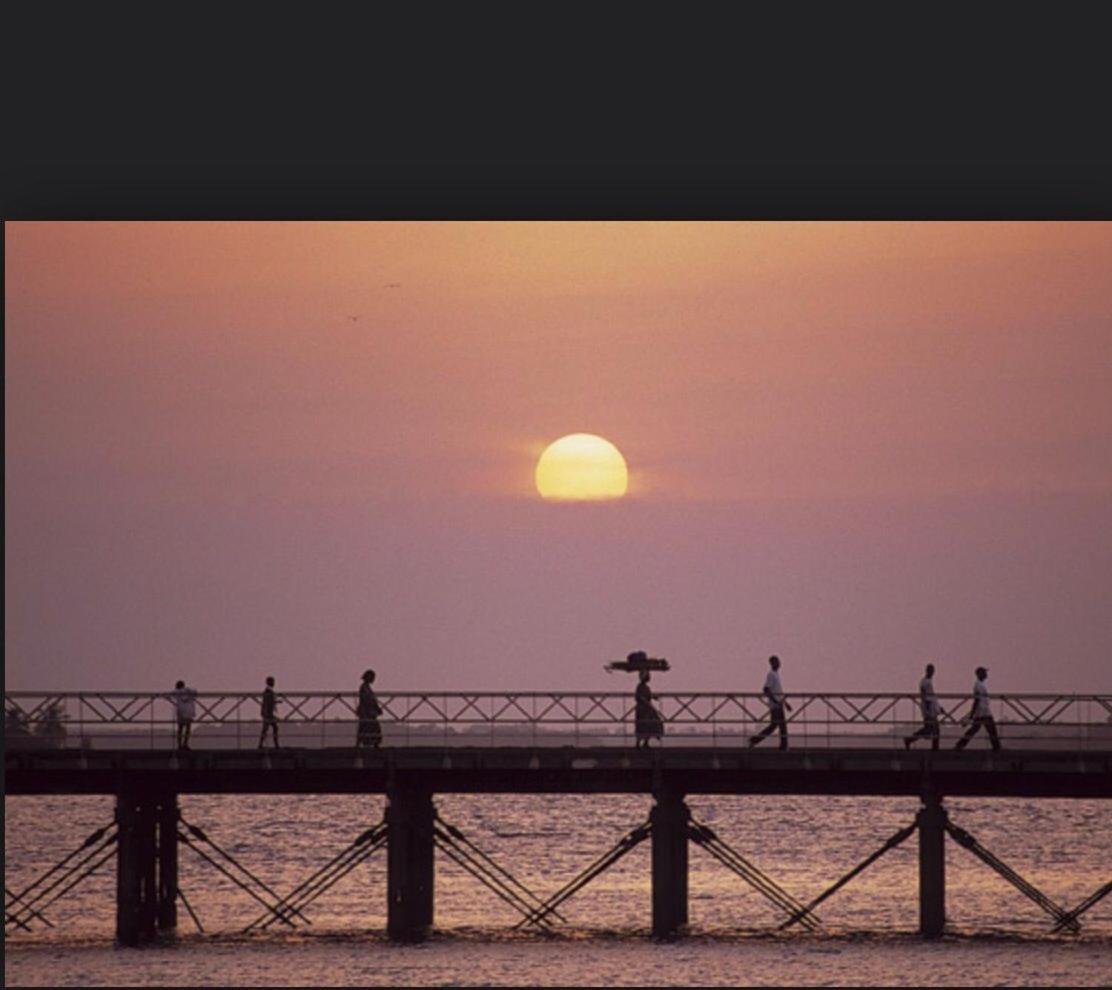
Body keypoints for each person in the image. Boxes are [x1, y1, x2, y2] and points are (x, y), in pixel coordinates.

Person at [749, 655, 791, 750]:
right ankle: (754, 740)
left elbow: (779, 691)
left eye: (778, 662)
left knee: (779, 725)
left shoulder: (776, 675)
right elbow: (766, 689)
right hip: (776, 705)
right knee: (777, 725)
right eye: (776, 662)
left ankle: (783, 746)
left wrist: (785, 703)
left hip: (779, 704)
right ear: (772, 663)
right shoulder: (771, 674)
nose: (778, 664)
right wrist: (775, 701)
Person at [954, 666, 1002, 751]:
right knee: (991, 729)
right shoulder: (978, 685)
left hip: (982, 711)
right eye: (984, 672)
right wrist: (972, 713)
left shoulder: (979, 685)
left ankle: (960, 744)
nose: (986, 674)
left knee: (975, 729)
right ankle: (996, 747)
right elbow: (977, 700)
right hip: (983, 711)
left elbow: (977, 700)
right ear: (980, 674)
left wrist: (972, 714)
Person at [904, 663, 940, 751]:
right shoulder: (924, 682)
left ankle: (910, 740)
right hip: (928, 708)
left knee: (931, 729)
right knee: (931, 729)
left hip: (931, 707)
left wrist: (938, 707)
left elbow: (931, 696)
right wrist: (927, 709)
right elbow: (924, 695)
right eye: (931, 671)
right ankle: (909, 740)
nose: (932, 673)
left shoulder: (928, 681)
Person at [634, 669, 664, 748]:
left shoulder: (646, 687)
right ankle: (638, 743)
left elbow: (648, 695)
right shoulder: (640, 687)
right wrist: (646, 701)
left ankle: (646, 742)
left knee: (652, 723)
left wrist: (654, 697)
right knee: (642, 725)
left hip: (647, 708)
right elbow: (639, 697)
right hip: (642, 709)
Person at [356, 669, 383, 749]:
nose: (373, 679)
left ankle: (371, 743)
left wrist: (377, 707)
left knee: (367, 727)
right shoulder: (364, 687)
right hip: (366, 712)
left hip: (368, 711)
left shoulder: (366, 687)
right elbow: (367, 699)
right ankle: (371, 743)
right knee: (367, 727)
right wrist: (375, 708)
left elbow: (371, 699)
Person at [171, 680, 198, 750]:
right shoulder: (189, 691)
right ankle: (185, 744)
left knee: (180, 728)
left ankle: (179, 745)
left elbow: (171, 694)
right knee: (188, 728)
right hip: (189, 712)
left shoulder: (177, 692)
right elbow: (195, 692)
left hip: (181, 712)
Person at [258, 676, 280, 749]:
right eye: (273, 682)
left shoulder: (267, 691)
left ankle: (261, 744)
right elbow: (269, 702)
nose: (274, 683)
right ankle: (276, 744)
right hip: (269, 714)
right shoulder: (268, 692)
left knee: (267, 729)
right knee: (273, 728)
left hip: (267, 713)